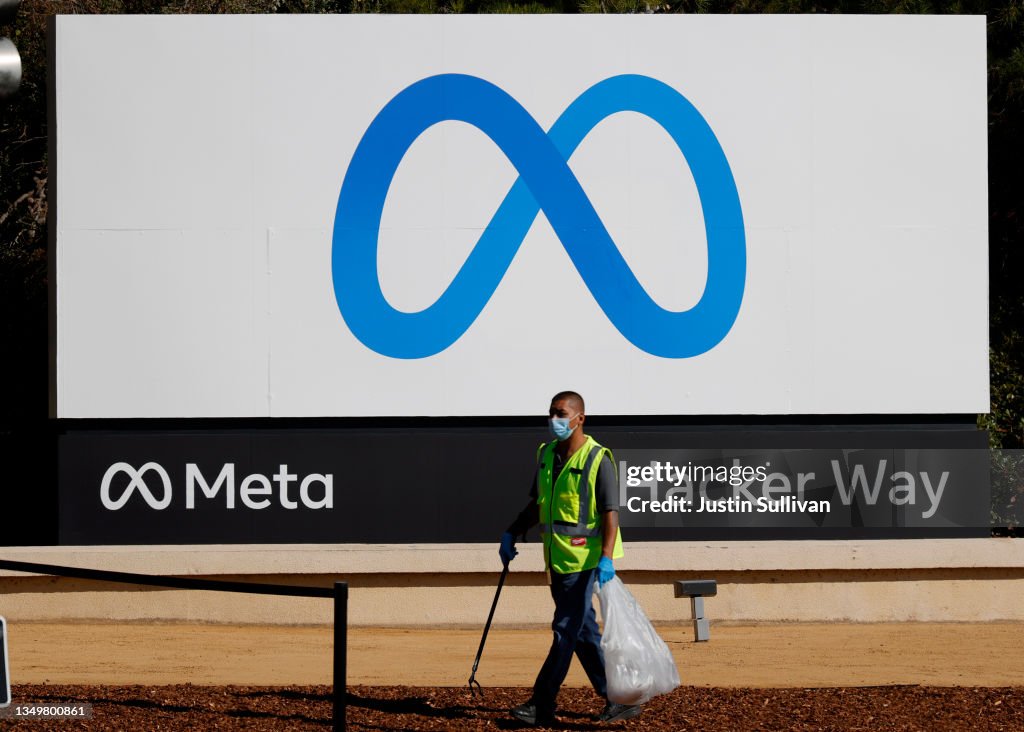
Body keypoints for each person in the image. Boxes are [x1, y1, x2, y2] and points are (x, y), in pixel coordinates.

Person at [499, 390, 643, 727]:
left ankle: (541, 703)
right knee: (582, 632)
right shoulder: (547, 454)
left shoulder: (597, 458)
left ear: (580, 418)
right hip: (558, 561)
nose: (554, 420)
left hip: (587, 562)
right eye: (551, 413)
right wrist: (512, 531)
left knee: (565, 629)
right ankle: (619, 699)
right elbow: (539, 504)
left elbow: (611, 512)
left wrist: (606, 558)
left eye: (561, 413)